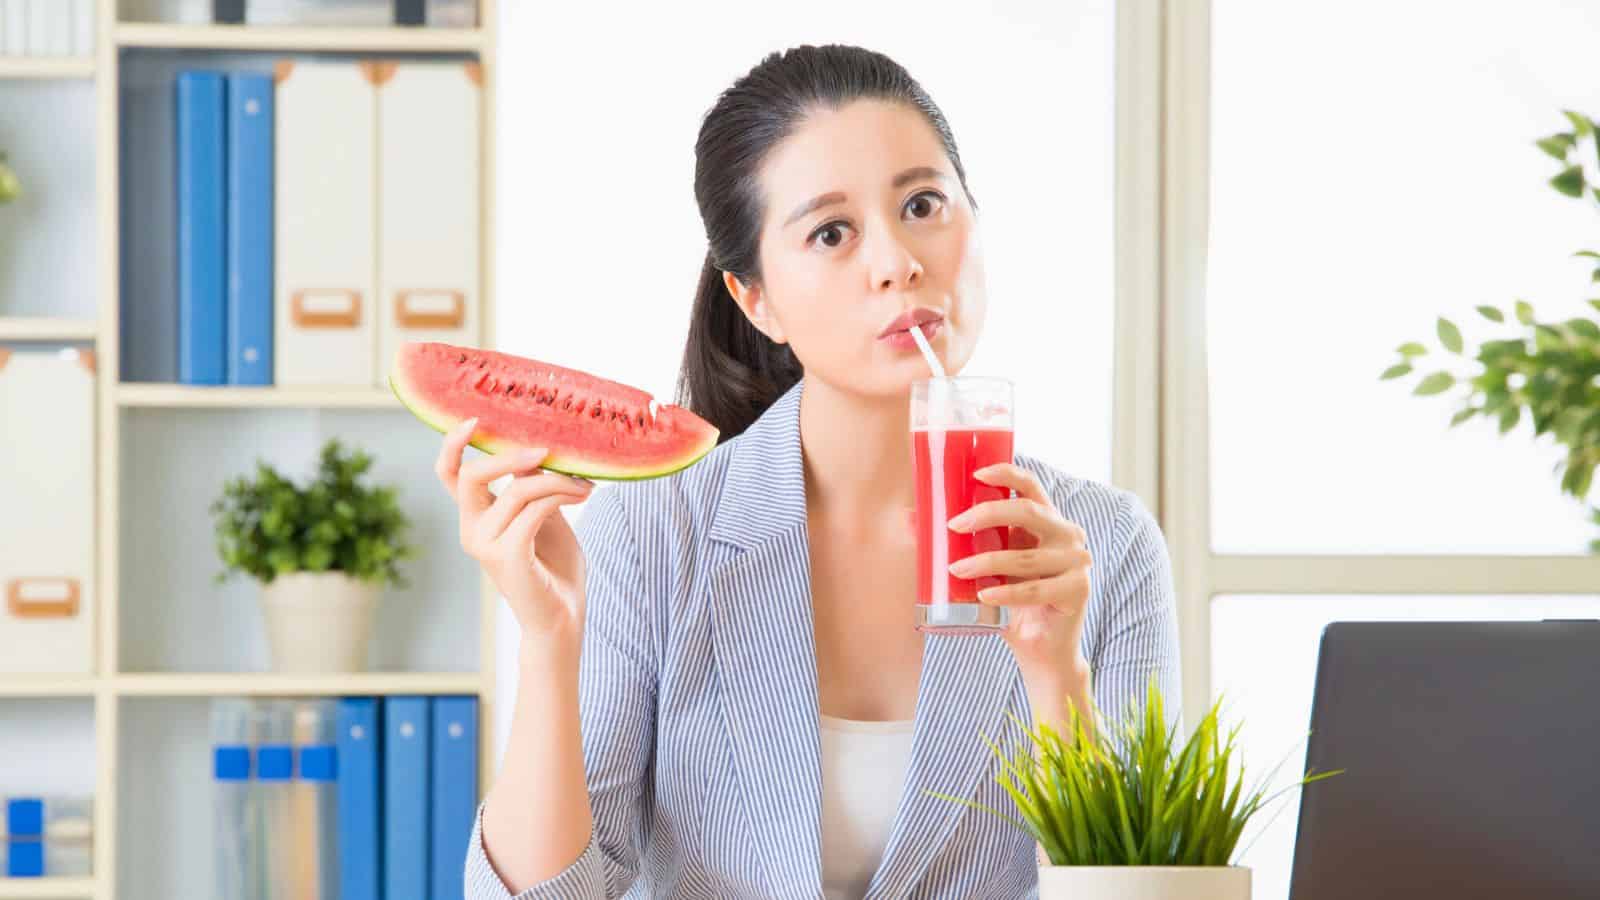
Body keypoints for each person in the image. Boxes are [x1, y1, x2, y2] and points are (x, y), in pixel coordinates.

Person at [443, 43, 1181, 900]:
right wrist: (546, 644)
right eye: (832, 232)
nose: (897, 261)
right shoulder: (655, 532)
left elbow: (1139, 892)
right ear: (756, 298)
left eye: (923, 204)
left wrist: (1058, 677)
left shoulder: (1110, 550)